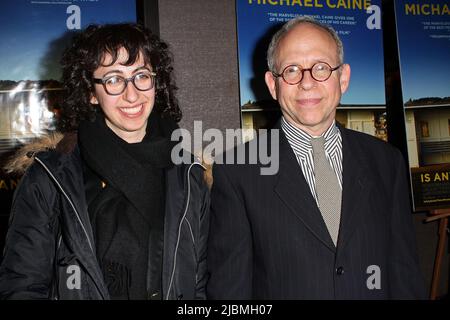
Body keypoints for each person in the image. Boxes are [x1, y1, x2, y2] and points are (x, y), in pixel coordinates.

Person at [207, 16, 426, 299]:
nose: (307, 83)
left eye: (321, 68)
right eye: (292, 70)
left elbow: (404, 274)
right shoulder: (238, 174)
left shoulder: (387, 162)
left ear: (343, 77)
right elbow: (230, 294)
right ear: (273, 85)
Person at [0, 23, 210, 300]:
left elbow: (199, 285)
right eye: (113, 79)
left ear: (156, 82)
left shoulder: (191, 176)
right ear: (90, 92)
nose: (132, 94)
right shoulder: (51, 178)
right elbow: (22, 286)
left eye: (141, 76)